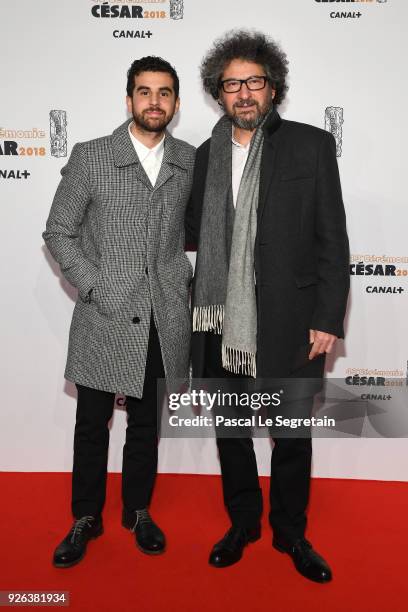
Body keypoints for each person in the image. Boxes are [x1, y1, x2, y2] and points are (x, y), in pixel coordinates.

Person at [185, 30, 349, 582]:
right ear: (218, 93)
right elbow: (190, 238)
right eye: (232, 84)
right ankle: (243, 524)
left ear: (273, 87)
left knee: (291, 435)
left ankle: (291, 534)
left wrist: (328, 318)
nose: (244, 93)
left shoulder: (310, 145)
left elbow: (334, 239)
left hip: (293, 322)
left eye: (254, 81)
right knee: (232, 433)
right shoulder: (204, 157)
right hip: (222, 321)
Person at [43, 56, 195, 567]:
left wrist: (184, 279)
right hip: (104, 315)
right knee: (92, 422)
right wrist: (94, 285)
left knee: (146, 425)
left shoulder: (190, 161)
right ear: (128, 99)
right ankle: (85, 516)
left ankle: (139, 511)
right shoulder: (91, 157)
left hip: (162, 316)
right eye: (145, 91)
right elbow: (58, 232)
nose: (155, 101)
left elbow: (199, 234)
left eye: (165, 92)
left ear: (175, 102)